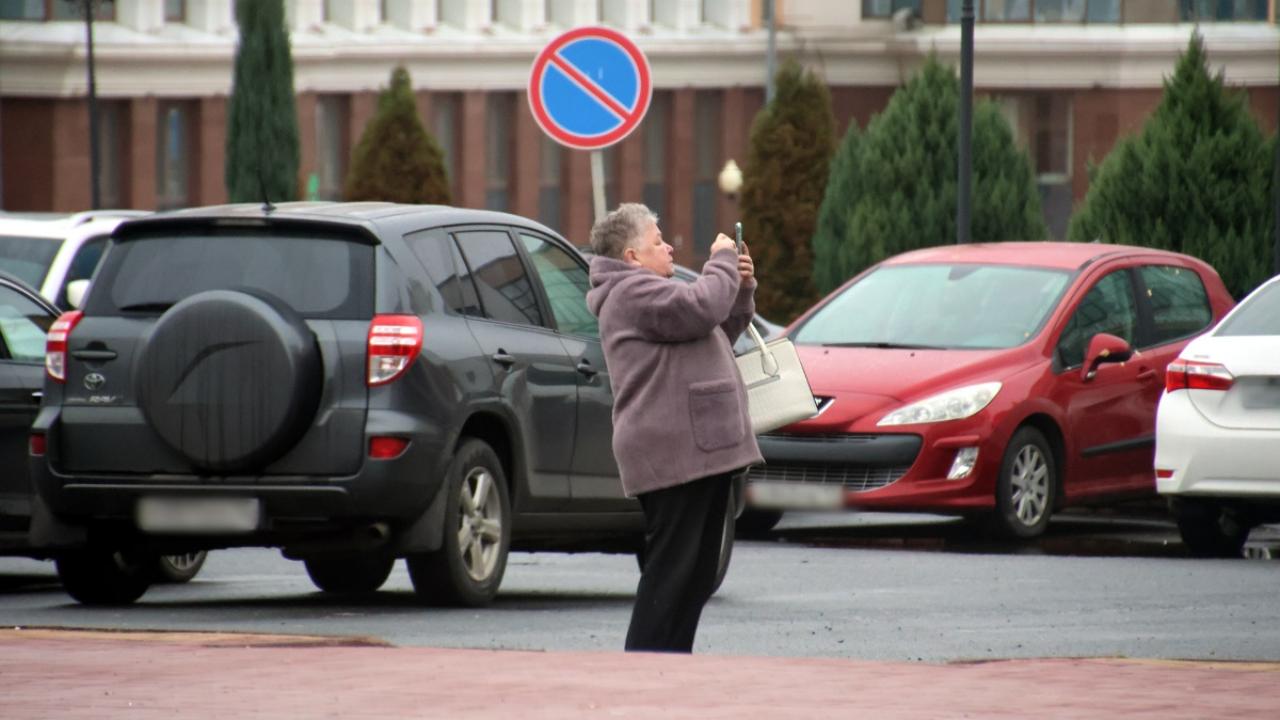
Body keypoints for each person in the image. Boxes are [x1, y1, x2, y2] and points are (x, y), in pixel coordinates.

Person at [585, 203, 763, 653]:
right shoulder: (629, 293)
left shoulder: (653, 292)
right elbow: (701, 306)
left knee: (698, 572)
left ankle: (672, 663)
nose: (668, 247)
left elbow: (717, 326)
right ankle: (644, 667)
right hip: (673, 454)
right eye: (657, 241)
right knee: (672, 571)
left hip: (701, 449)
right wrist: (721, 260)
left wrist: (739, 287)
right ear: (631, 256)